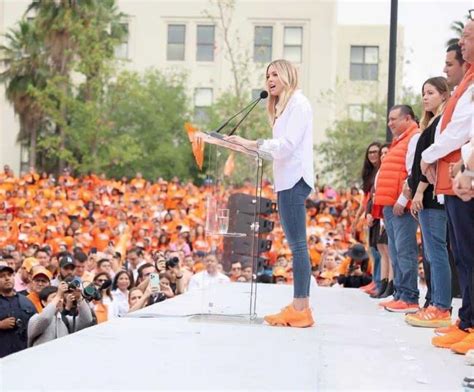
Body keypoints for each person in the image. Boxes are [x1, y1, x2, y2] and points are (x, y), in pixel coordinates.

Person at [226, 59, 315, 327]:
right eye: (267, 75)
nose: (270, 79)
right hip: (285, 180)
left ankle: (302, 308)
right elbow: (276, 148)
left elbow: (286, 146)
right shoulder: (283, 107)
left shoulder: (298, 104)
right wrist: (243, 146)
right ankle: (299, 305)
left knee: (299, 246)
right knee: (296, 245)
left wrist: (251, 143)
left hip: (294, 180)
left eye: (275, 74)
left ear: (288, 75)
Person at [421, 20, 474, 354]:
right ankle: (467, 320)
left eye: (467, 37)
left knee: (468, 254)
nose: (461, 42)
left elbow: (460, 130)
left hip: (464, 177)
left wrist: (430, 154)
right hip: (457, 175)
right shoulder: (466, 83)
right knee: (463, 256)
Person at [405, 77, 452, 328]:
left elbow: (431, 162)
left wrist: (420, 191)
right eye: (423, 93)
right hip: (424, 194)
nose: (425, 97)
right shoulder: (431, 123)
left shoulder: (441, 124)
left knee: (436, 252)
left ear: (444, 95)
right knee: (431, 254)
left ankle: (441, 307)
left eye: (431, 92)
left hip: (433, 196)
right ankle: (434, 301)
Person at [374, 105, 420, 313]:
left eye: (394, 119)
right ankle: (400, 294)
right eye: (389, 119)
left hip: (401, 205)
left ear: (408, 118)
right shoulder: (399, 141)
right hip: (389, 205)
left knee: (404, 251)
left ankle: (409, 296)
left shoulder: (414, 137)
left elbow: (413, 172)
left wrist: (404, 199)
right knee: (395, 251)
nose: (390, 123)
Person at [27, 282, 94, 347]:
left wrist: (79, 298)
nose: (60, 300)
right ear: (43, 302)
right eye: (54, 297)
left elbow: (87, 320)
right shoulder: (34, 319)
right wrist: (58, 295)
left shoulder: (65, 319)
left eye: (61, 298)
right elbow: (45, 318)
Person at [0, 262, 37, 358]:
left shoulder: (26, 301)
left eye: (9, 275)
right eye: (2, 276)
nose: (7, 278)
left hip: (23, 356)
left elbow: (36, 326)